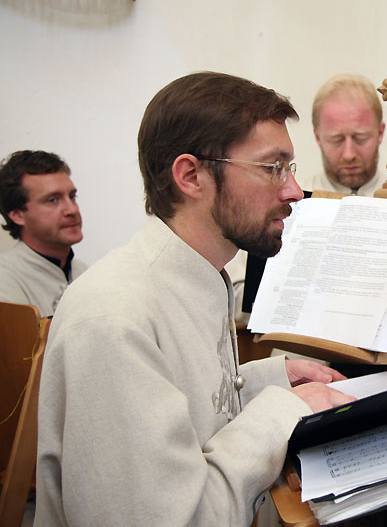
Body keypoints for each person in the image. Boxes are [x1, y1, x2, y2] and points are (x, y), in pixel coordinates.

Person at [35, 72, 355, 526]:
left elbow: (182, 410)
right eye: (272, 168)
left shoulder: (194, 276)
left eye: (290, 167)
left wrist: (267, 380)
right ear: (190, 176)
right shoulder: (112, 320)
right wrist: (284, 411)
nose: (292, 191)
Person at [0, 150, 86, 317]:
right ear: (18, 215)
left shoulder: (83, 272)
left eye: (72, 197)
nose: (72, 210)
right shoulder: (6, 280)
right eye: (52, 200)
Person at [301, 73, 387, 195]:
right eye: (336, 140)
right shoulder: (296, 202)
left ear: (380, 133)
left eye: (360, 138)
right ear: (317, 137)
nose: (349, 155)